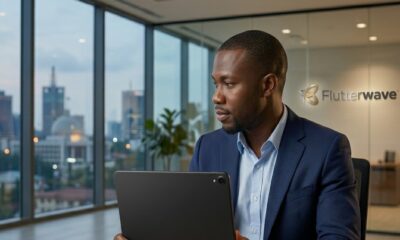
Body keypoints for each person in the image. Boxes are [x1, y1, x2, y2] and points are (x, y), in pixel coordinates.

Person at [114, 30, 360, 240]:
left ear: (267, 85)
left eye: (229, 84)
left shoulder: (327, 149)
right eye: (216, 84)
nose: (216, 97)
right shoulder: (207, 147)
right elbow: (192, 230)